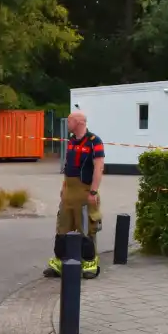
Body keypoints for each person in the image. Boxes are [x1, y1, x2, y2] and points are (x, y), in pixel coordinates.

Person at [44, 110, 104, 279]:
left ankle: (89, 264)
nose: (67, 124)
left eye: (70, 121)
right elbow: (69, 165)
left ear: (78, 122)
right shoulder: (70, 141)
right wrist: (64, 187)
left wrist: (93, 191)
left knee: (86, 228)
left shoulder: (94, 142)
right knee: (62, 227)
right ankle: (59, 263)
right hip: (69, 190)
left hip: (84, 190)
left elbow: (99, 168)